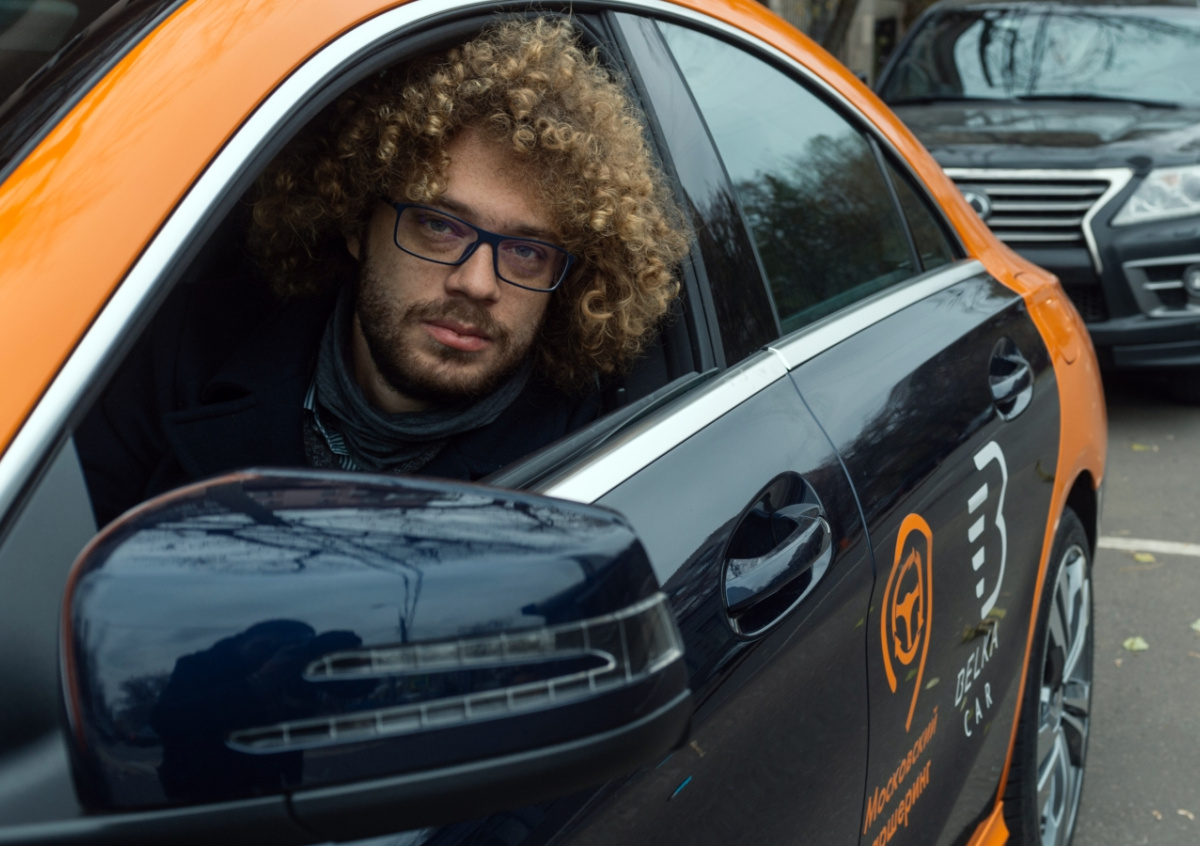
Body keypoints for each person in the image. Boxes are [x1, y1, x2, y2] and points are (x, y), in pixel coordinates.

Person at [77, 16, 689, 527]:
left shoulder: (595, 465)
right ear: (356, 220)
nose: (478, 283)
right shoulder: (187, 349)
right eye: (440, 226)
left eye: (527, 252)